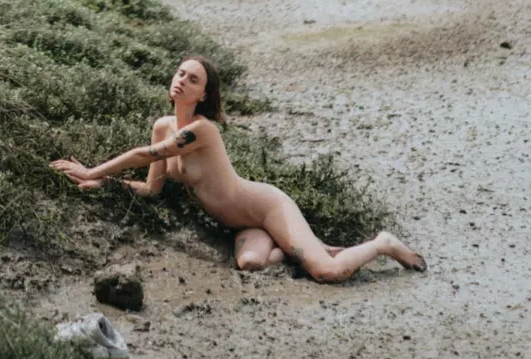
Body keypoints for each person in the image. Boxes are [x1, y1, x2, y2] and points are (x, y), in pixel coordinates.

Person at [50, 55, 425, 283]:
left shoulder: (201, 130)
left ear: (204, 96)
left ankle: (382, 243)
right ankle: (296, 246)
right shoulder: (163, 125)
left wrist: (92, 171)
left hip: (266, 206)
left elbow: (146, 153)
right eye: (181, 74)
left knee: (327, 273)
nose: (183, 81)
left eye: (193, 80)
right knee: (250, 264)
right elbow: (153, 189)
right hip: (244, 225)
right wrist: (108, 186)